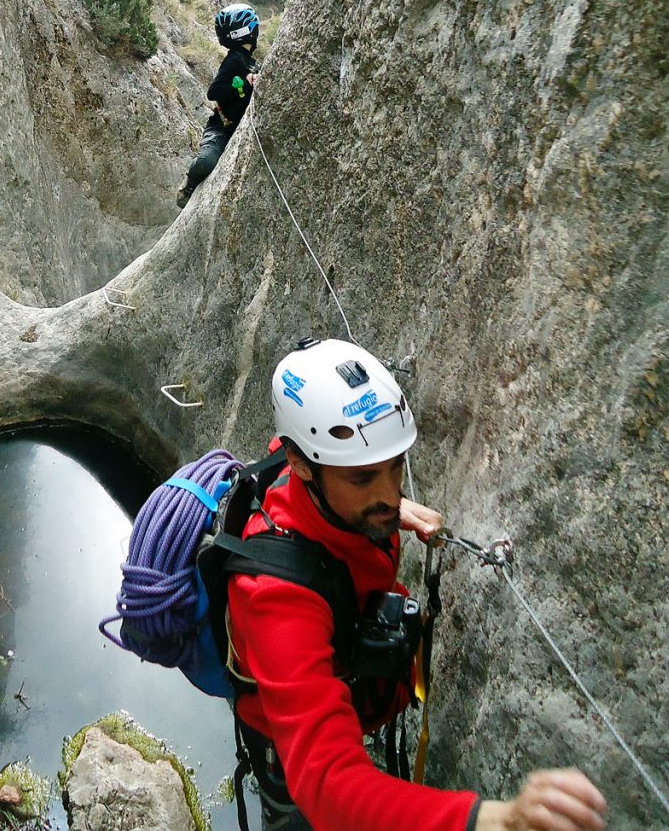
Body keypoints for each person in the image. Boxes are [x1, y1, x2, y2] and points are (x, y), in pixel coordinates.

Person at [226, 338, 608, 831]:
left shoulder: (320, 466)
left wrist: (380, 505)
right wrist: (493, 820)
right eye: (364, 479)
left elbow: (312, 457)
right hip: (284, 744)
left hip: (342, 664)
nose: (389, 493)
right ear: (303, 467)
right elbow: (327, 783)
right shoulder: (275, 599)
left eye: (396, 466)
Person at [176, 3, 260, 209]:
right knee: (207, 161)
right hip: (220, 128)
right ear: (248, 31)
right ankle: (189, 183)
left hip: (237, 130)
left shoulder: (250, 62)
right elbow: (213, 92)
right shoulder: (234, 61)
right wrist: (243, 83)